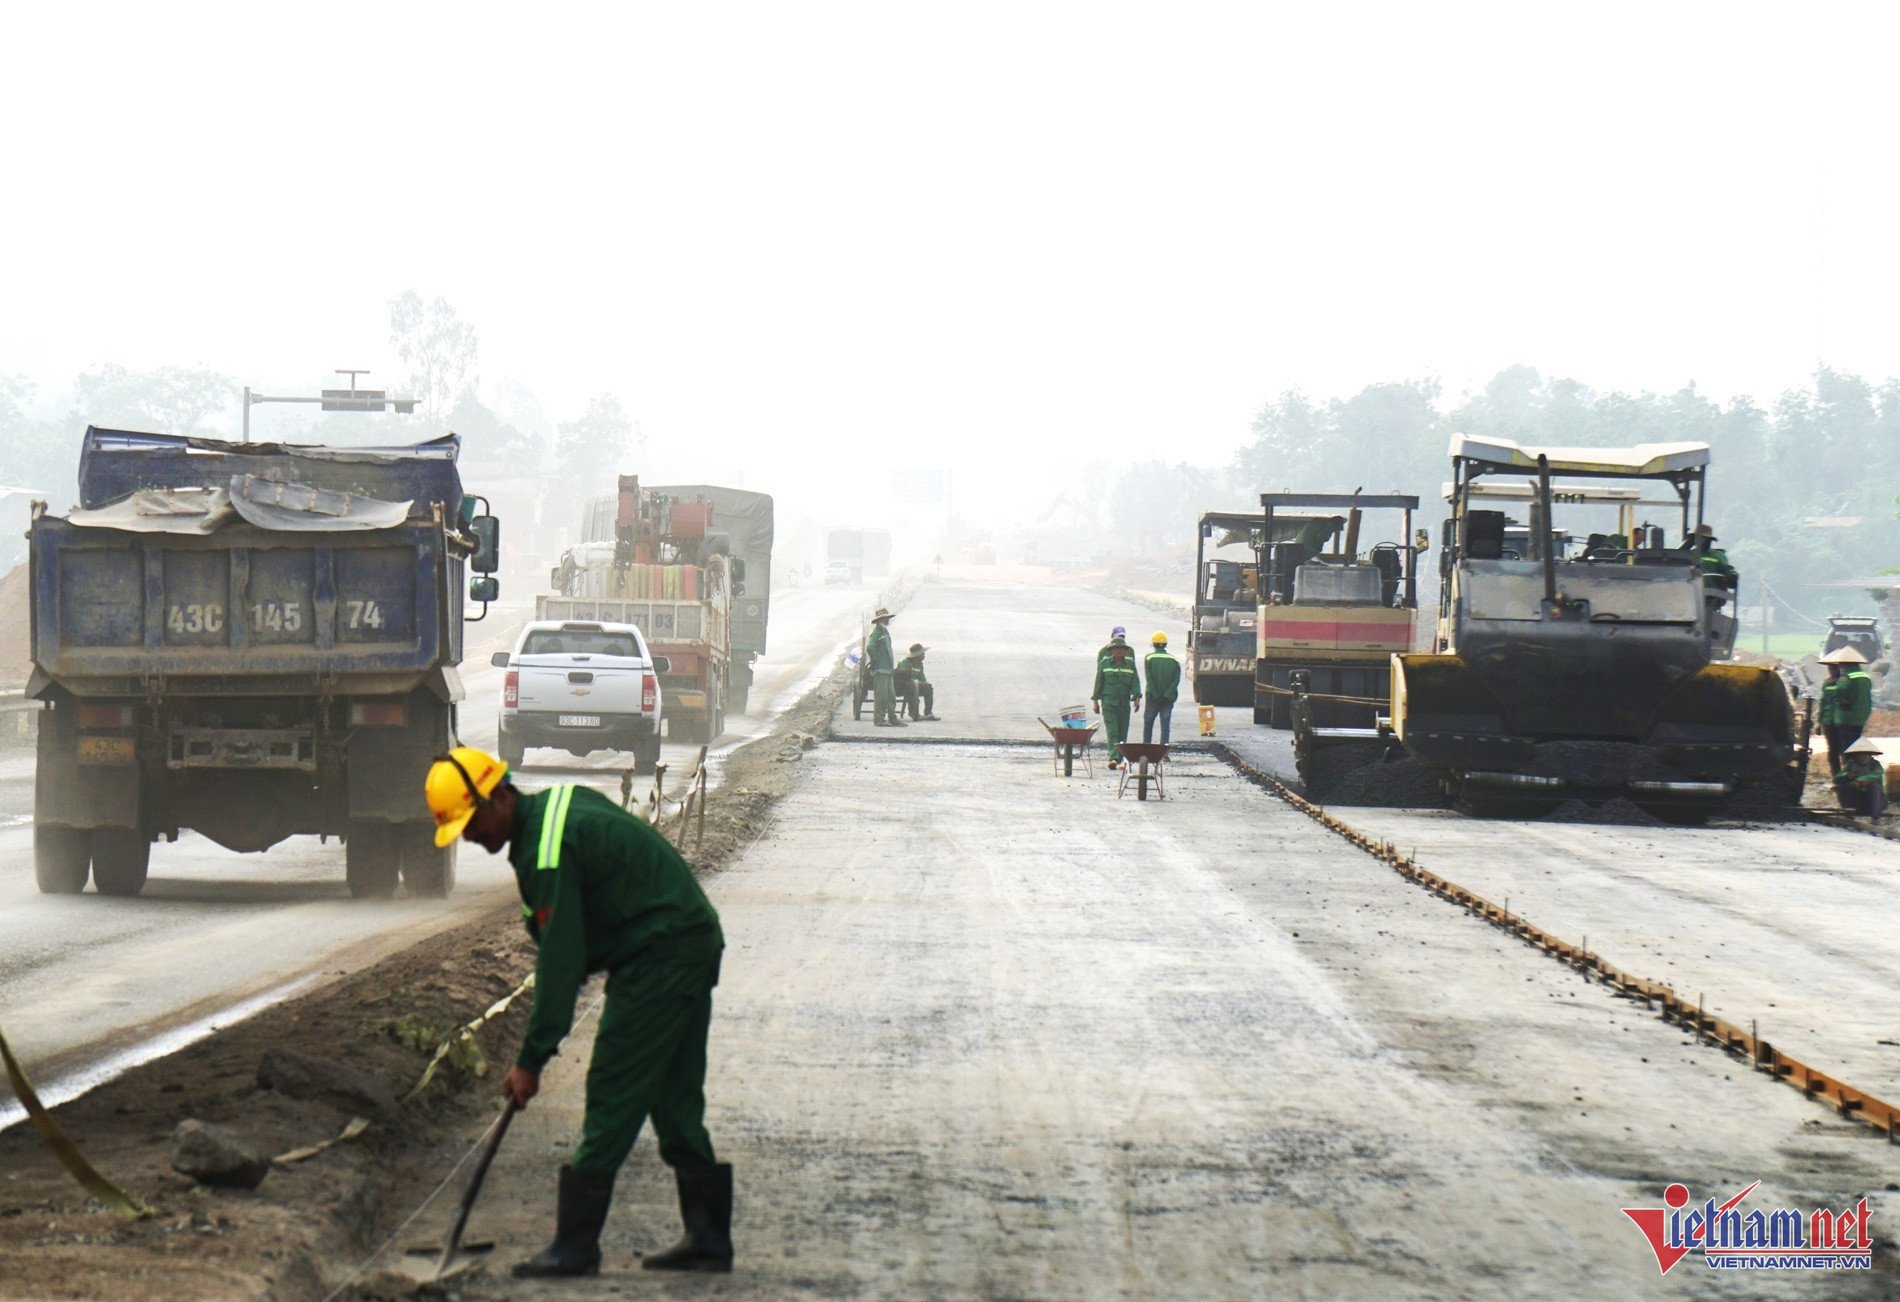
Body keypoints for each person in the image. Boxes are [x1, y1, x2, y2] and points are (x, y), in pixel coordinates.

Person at [424, 748, 732, 1277]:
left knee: (614, 1086)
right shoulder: (552, 812)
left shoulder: (544, 850)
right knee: (673, 1096)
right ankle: (707, 1239)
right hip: (686, 938)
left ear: (498, 796)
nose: (469, 838)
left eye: (469, 823)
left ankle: (575, 1245)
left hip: (659, 957)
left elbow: (561, 965)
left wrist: (530, 1059)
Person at [1819, 646, 1870, 776]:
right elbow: (1824, 703)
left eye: (1835, 666)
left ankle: (1847, 777)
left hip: (1843, 720)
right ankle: (1843, 775)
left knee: (1845, 750)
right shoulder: (1864, 677)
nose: (1832, 669)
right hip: (1844, 720)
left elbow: (1841, 697)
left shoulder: (1845, 680)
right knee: (1841, 749)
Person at [1092, 642, 1141, 770]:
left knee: (1122, 731)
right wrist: (1095, 701)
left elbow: (1135, 682)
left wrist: (1137, 698)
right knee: (1113, 730)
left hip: (1124, 704)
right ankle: (1113, 757)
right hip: (1109, 703)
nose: (1119, 651)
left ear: (1125, 651)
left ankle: (1119, 759)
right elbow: (1098, 682)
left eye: (1122, 649)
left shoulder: (1130, 664)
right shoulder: (1104, 664)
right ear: (1111, 651)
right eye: (1116, 649)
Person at [1834, 738, 1889, 820]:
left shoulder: (1876, 765)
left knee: (1873, 786)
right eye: (1860, 754)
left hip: (1875, 801)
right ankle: (1848, 813)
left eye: (1866, 754)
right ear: (1855, 755)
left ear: (1871, 754)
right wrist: (1847, 775)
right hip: (1858, 801)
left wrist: (1858, 781)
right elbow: (1838, 777)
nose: (1863, 756)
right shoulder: (1851, 764)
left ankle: (1875, 817)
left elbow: (1874, 775)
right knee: (1841, 786)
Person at [1142, 631, 1181, 744]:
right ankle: (1163, 749)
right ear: (1165, 644)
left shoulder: (1149, 658)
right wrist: (1167, 694)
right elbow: (1176, 680)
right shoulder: (1174, 660)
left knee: (1148, 723)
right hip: (1168, 699)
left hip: (1153, 698)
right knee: (1165, 724)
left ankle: (1146, 748)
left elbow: (1149, 678)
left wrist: (1155, 695)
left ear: (1153, 644)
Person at [867, 607, 903, 727]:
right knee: (881, 696)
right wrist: (875, 660)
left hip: (888, 669)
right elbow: (870, 647)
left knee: (891, 696)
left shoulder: (884, 631)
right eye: (886, 618)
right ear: (881, 619)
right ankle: (879, 719)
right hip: (880, 669)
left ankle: (893, 719)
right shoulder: (876, 632)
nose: (888, 619)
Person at [896, 642, 938, 720]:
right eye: (922, 653)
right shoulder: (904, 662)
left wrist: (925, 684)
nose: (924, 655)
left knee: (928, 687)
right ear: (917, 655)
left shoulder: (919, 664)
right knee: (912, 687)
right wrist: (917, 684)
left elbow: (922, 679)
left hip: (914, 685)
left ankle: (928, 713)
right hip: (902, 686)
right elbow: (903, 678)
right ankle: (914, 713)